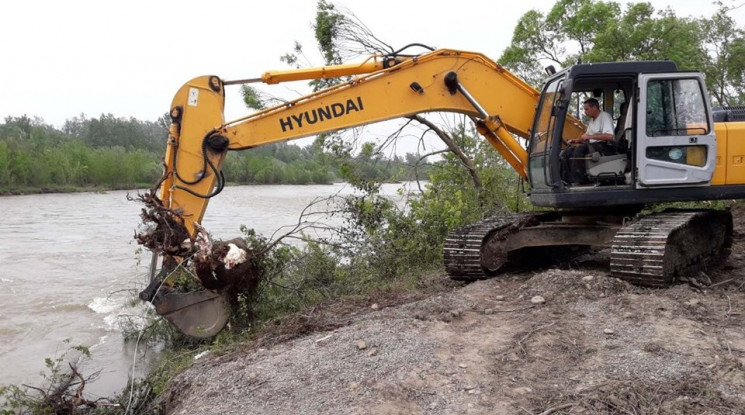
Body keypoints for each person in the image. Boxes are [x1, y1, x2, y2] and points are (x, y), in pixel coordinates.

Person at [561, 98, 615, 185]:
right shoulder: (592, 120)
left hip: (605, 146)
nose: (585, 112)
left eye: (587, 109)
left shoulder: (604, 117)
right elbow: (586, 136)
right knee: (568, 151)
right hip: (593, 145)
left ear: (594, 107)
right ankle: (567, 179)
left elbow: (609, 136)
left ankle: (578, 180)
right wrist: (576, 140)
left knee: (579, 150)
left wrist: (590, 136)